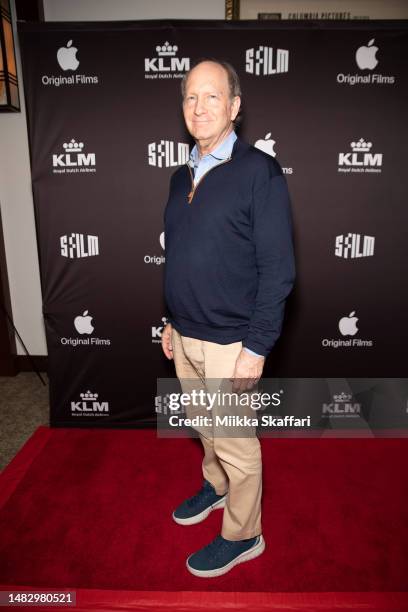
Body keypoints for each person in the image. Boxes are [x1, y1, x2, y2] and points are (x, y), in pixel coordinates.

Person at [161, 58, 295, 578]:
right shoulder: (179, 177)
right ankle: (215, 488)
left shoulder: (259, 172)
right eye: (191, 97)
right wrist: (170, 319)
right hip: (186, 333)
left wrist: (256, 347)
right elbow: (181, 257)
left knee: (237, 445)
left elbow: (278, 270)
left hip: (232, 342)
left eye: (212, 96)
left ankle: (245, 534)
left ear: (235, 107)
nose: (199, 107)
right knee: (206, 429)